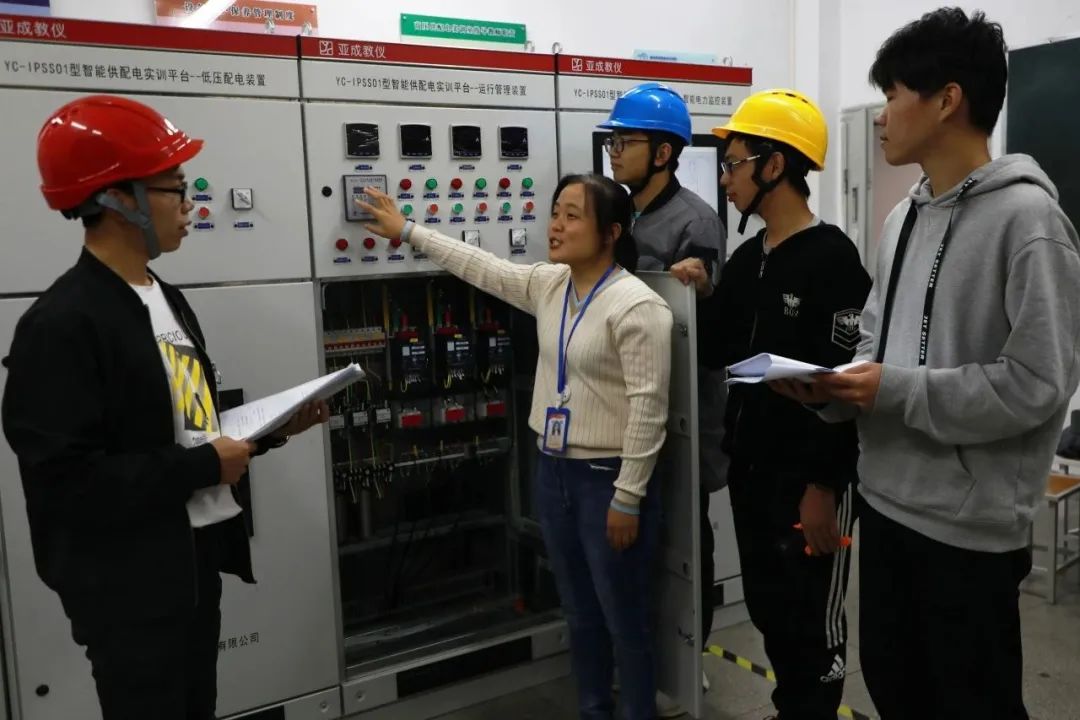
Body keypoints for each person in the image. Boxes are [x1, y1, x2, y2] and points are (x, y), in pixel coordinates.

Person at [772, 9, 1080, 719]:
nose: (881, 116)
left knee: (972, 704)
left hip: (968, 531)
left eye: (892, 95)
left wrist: (894, 389)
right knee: (896, 691)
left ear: (947, 100)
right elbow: (873, 341)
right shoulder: (901, 219)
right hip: (884, 505)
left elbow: (1039, 384)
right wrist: (835, 391)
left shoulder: (1030, 223)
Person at [1, 94, 328, 720]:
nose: (189, 203)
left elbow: (182, 428)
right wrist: (204, 467)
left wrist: (269, 431)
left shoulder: (162, 295)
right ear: (117, 199)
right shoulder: (61, 325)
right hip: (128, 588)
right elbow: (65, 482)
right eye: (175, 187)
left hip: (190, 566)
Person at [358, 174, 672, 720]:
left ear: (611, 232)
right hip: (554, 472)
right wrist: (408, 230)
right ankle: (595, 711)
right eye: (556, 212)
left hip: (607, 479)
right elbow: (481, 266)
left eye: (573, 215)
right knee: (579, 612)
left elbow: (649, 409)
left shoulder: (637, 306)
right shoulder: (551, 285)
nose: (556, 225)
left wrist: (628, 497)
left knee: (624, 617)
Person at [672, 89, 870, 720]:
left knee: (813, 625)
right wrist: (702, 293)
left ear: (775, 166)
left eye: (734, 164)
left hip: (807, 481)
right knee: (772, 612)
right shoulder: (749, 257)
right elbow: (717, 351)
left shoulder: (832, 259)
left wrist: (824, 487)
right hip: (753, 470)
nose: (724, 178)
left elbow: (846, 387)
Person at [599, 81, 727, 694]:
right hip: (627, 402)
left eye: (625, 141)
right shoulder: (620, 213)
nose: (614, 152)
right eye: (613, 142)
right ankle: (641, 656)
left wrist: (697, 281)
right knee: (640, 540)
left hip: (683, 407)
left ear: (664, 152)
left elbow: (703, 300)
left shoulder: (695, 221)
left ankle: (685, 658)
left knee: (684, 539)